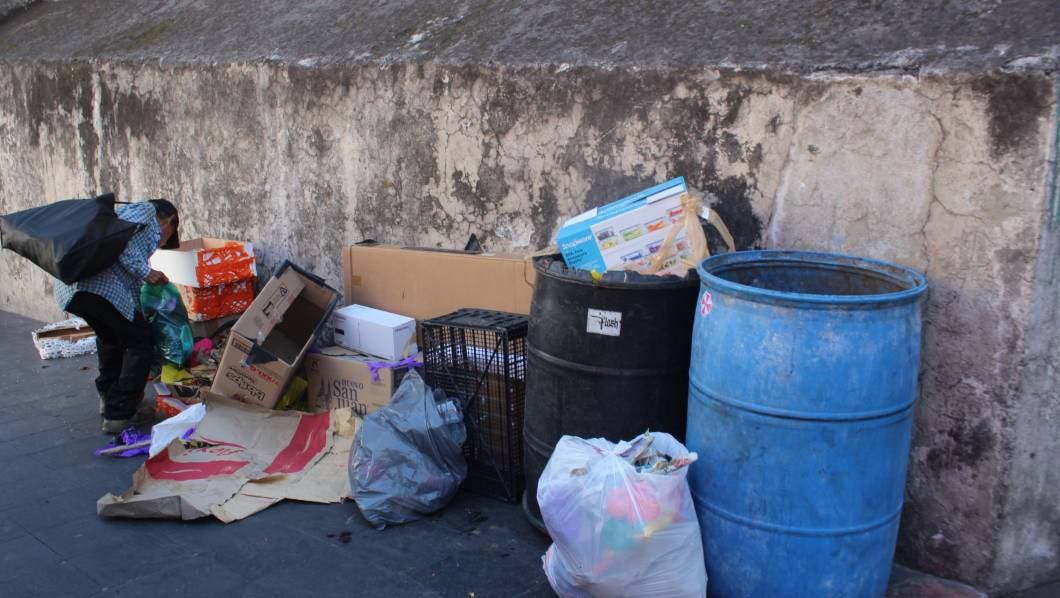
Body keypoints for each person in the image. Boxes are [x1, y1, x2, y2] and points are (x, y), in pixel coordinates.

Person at [54, 199, 180, 433]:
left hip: (75, 290)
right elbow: (121, 242)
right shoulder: (145, 211)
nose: (163, 239)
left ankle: (109, 398)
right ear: (169, 220)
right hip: (99, 289)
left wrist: (144, 311)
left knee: (113, 338)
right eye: (169, 233)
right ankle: (120, 412)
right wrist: (147, 272)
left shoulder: (121, 216)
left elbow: (130, 285)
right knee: (140, 342)